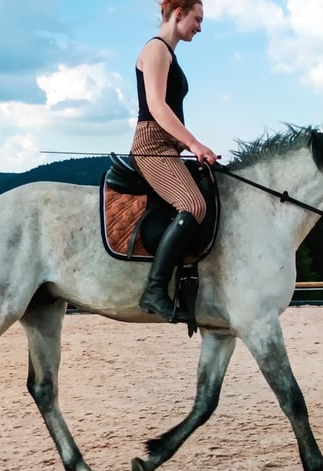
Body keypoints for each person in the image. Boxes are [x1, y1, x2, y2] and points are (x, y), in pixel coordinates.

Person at [131, 0, 216, 322]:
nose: (200, 27)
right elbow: (156, 106)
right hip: (151, 145)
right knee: (193, 206)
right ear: (179, 14)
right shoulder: (156, 50)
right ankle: (154, 291)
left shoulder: (169, 53)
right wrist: (194, 143)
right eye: (197, 19)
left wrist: (193, 147)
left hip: (169, 144)